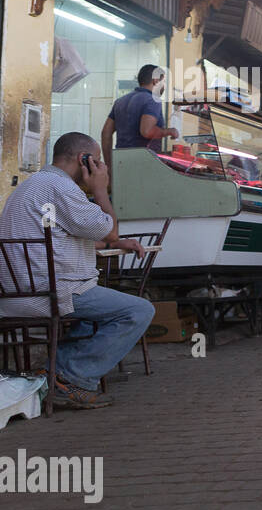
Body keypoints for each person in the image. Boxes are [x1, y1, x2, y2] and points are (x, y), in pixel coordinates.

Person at [0, 132, 152, 410]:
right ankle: (71, 377)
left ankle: (53, 371)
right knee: (139, 310)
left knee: (95, 315)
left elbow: (62, 238)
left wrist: (114, 241)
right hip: (52, 294)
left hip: (17, 294)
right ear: (85, 160)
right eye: (98, 161)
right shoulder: (61, 187)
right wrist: (100, 190)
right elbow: (109, 226)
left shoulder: (31, 186)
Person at [100, 65, 179, 171]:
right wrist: (169, 131)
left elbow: (106, 133)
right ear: (155, 81)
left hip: (121, 163)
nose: (164, 86)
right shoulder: (152, 100)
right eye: (163, 82)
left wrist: (109, 165)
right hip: (143, 165)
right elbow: (147, 131)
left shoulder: (120, 101)